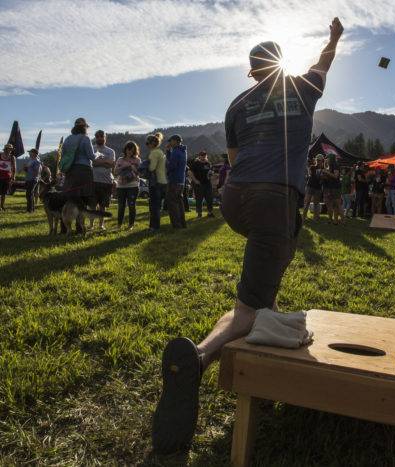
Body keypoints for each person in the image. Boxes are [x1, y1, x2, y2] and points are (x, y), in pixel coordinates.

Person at [151, 18, 344, 455]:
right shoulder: (303, 87)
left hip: (236, 201)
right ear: (280, 63)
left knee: (263, 287)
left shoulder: (237, 104)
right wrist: (333, 38)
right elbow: (325, 61)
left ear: (251, 71)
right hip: (275, 199)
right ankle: (196, 360)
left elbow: (235, 160)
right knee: (249, 306)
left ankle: (264, 331)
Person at [61, 118, 96, 233]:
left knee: (69, 199)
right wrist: (98, 155)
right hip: (83, 171)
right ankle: (80, 228)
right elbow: (91, 156)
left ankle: (64, 228)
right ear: (84, 127)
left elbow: (64, 155)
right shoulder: (85, 138)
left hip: (70, 170)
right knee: (82, 199)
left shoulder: (67, 139)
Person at [91, 130, 116, 230]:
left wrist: (98, 162)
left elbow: (111, 164)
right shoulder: (91, 149)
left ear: (105, 138)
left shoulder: (111, 151)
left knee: (103, 205)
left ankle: (101, 224)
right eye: (97, 136)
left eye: (102, 136)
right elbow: (92, 163)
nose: (100, 138)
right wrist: (105, 161)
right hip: (93, 180)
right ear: (95, 137)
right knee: (92, 205)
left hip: (106, 182)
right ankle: (91, 224)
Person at [114, 141, 141, 230]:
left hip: (133, 186)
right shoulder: (120, 159)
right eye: (128, 150)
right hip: (121, 186)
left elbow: (139, 173)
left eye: (132, 150)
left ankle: (131, 225)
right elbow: (115, 172)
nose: (130, 152)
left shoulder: (138, 160)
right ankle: (119, 225)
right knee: (121, 206)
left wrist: (133, 168)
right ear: (125, 150)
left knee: (131, 205)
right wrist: (123, 167)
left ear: (135, 151)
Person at [165, 134, 187, 229]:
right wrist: (168, 151)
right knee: (179, 202)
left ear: (175, 141)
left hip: (174, 180)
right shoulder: (183, 151)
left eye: (171, 141)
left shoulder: (176, 152)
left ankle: (176, 225)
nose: (169, 143)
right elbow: (174, 161)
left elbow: (171, 165)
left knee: (172, 203)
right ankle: (182, 223)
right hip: (181, 180)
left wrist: (166, 169)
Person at [146, 132, 167, 232]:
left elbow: (152, 168)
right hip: (163, 181)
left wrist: (144, 167)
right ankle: (155, 226)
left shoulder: (154, 153)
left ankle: (154, 227)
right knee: (157, 206)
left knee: (154, 206)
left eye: (147, 143)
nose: (146, 145)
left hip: (156, 182)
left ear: (151, 144)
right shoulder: (161, 152)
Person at [189, 150, 215, 218]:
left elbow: (211, 172)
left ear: (206, 156)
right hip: (199, 184)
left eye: (204, 155)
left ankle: (210, 213)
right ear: (199, 156)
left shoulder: (208, 163)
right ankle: (199, 213)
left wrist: (211, 175)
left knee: (209, 198)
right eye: (202, 155)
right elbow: (189, 172)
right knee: (199, 199)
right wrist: (195, 180)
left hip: (207, 184)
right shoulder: (195, 163)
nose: (203, 157)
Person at [321, 154, 342, 224]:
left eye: (328, 158)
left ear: (331, 158)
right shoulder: (329, 166)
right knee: (332, 205)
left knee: (337, 205)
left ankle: (342, 220)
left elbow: (336, 176)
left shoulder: (335, 165)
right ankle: (334, 221)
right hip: (331, 187)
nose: (327, 159)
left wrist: (326, 172)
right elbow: (329, 176)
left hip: (336, 188)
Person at [302, 155, 323, 220]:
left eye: (319, 160)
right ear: (315, 160)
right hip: (310, 186)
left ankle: (315, 217)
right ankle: (304, 217)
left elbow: (322, 178)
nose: (318, 161)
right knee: (307, 202)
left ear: (322, 161)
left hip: (318, 187)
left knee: (316, 203)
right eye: (317, 160)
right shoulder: (312, 167)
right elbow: (313, 176)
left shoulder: (323, 169)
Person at [0, 144, 16, 211]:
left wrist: (13, 177)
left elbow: (14, 168)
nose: (10, 150)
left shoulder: (12, 157)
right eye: (9, 149)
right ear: (5, 149)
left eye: (11, 149)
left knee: (4, 193)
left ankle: (2, 206)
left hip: (7, 177)